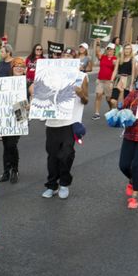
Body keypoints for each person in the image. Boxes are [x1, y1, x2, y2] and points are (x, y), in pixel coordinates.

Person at [40, 49, 89, 200]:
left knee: (66, 154)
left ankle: (64, 183)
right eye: (64, 56)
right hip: (53, 122)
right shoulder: (50, 76)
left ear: (75, 60)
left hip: (70, 121)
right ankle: (52, 185)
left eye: (70, 56)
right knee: (52, 155)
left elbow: (85, 100)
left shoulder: (81, 77)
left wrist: (80, 93)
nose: (67, 58)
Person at [0, 58, 27, 183]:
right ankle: (6, 171)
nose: (19, 68)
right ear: (12, 68)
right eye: (16, 65)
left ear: (24, 69)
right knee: (6, 145)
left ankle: (14, 170)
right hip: (5, 115)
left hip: (19, 112)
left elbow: (35, 98)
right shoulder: (4, 82)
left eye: (22, 66)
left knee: (11, 144)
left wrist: (29, 106)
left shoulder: (28, 82)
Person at [92, 41, 116, 119]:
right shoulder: (103, 57)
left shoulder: (115, 59)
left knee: (108, 98)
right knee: (98, 95)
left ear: (114, 51)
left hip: (109, 81)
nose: (109, 51)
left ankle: (111, 108)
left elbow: (116, 69)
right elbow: (97, 52)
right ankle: (97, 113)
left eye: (111, 49)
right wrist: (98, 43)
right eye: (108, 49)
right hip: (100, 80)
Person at [110, 44, 135, 109]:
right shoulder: (119, 58)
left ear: (131, 50)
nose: (127, 50)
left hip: (127, 81)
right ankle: (116, 112)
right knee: (113, 100)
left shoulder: (132, 60)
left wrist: (131, 85)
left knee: (124, 102)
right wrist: (111, 81)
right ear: (123, 50)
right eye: (126, 48)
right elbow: (115, 71)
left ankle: (120, 114)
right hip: (118, 80)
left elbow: (133, 73)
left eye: (129, 49)